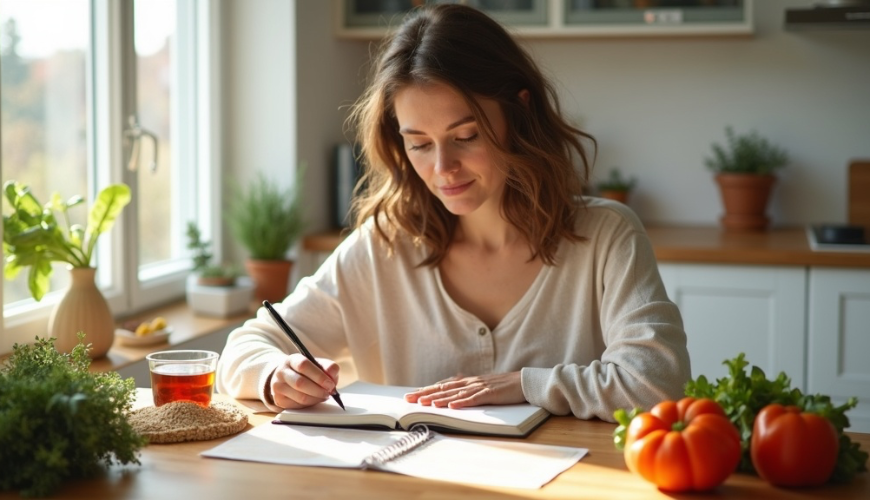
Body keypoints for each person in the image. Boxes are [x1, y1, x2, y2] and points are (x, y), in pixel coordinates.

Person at [216, 3, 690, 421]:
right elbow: (244, 348)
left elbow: (656, 382)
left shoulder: (607, 237)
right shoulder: (383, 247)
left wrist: (524, 385)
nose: (443, 168)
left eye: (466, 137)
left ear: (517, 113)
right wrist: (275, 374)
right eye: (419, 144)